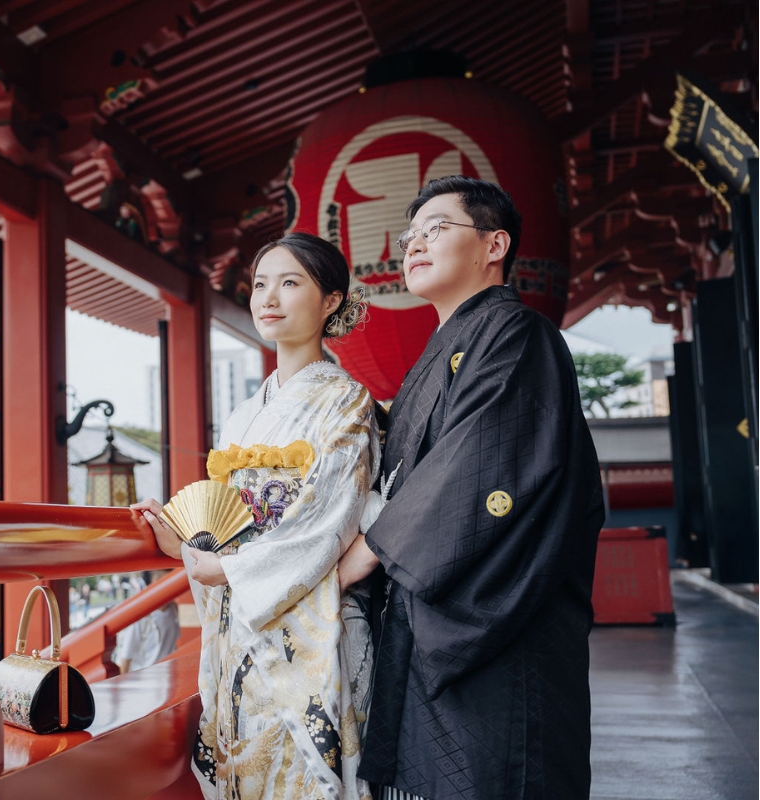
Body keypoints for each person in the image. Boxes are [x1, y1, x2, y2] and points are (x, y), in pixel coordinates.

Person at [338, 176, 604, 800]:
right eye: (410, 236)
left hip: (494, 616)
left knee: (499, 770)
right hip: (426, 613)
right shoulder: (441, 351)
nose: (415, 245)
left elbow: (474, 466)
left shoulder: (517, 334)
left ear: (494, 245)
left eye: (437, 229)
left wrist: (366, 553)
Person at [134, 232, 382, 800]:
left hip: (308, 617)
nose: (268, 297)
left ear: (330, 302)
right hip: (240, 622)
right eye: (261, 283)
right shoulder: (246, 411)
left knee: (303, 773)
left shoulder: (345, 401)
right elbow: (222, 519)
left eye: (290, 283)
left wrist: (230, 570)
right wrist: (186, 544)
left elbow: (329, 517)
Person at [116, 571, 180, 674]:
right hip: (144, 679)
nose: (166, 583)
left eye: (168, 578)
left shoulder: (174, 611)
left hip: (167, 675)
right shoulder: (141, 617)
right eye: (159, 579)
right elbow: (126, 657)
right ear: (149, 584)